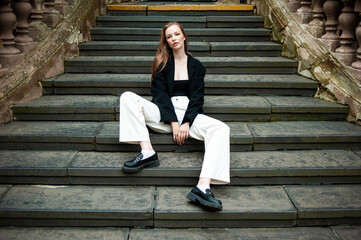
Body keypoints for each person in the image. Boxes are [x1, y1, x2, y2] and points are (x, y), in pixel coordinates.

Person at [119, 21, 230, 211]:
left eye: (176, 34)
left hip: (189, 113)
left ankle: (203, 187)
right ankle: (147, 152)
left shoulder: (197, 66)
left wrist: (186, 122)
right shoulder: (162, 63)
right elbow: (160, 96)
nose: (173, 39)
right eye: (169, 36)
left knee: (221, 129)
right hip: (165, 113)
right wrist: (173, 123)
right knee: (128, 97)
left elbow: (197, 97)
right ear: (166, 41)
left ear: (184, 36)